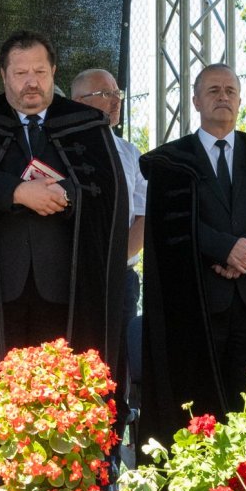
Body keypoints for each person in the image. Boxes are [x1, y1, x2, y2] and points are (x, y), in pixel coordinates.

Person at [0, 31, 126, 422]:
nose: (32, 81)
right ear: (3, 75)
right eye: (21, 72)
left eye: (40, 70)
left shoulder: (86, 125)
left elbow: (109, 195)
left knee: (61, 388)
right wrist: (16, 194)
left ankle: (63, 476)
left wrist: (66, 195)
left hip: (66, 287)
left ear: (54, 71)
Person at [138, 64, 246, 454]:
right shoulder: (171, 163)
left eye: (231, 90)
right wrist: (222, 248)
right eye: (213, 90)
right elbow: (168, 225)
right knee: (200, 403)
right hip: (197, 307)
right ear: (196, 100)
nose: (223, 97)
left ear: (240, 100)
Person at [70, 68, 148, 374]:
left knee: (118, 364)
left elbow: (144, 214)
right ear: (77, 102)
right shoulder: (58, 151)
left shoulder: (130, 153)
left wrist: (114, 260)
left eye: (117, 93)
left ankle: (119, 419)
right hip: (72, 278)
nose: (115, 101)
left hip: (120, 277)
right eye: (105, 94)